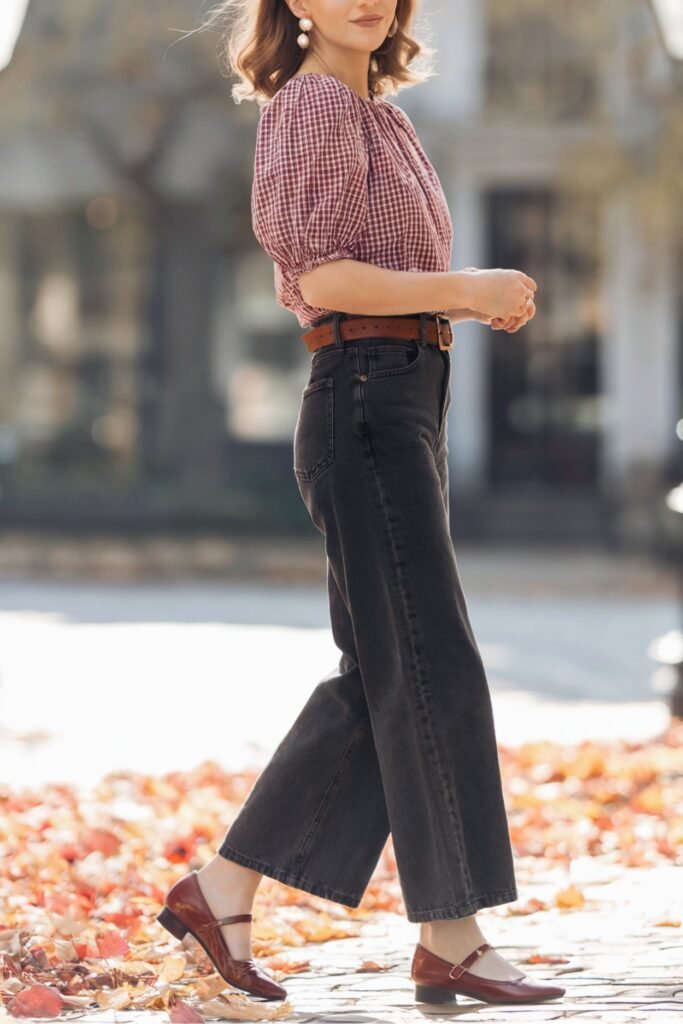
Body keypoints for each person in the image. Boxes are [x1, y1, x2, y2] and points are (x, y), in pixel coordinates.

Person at [157, 0, 565, 1008]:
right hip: (364, 403)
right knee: (429, 664)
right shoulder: (311, 109)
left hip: (400, 400)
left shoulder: (378, 114)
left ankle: (223, 890)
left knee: (385, 673)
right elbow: (323, 274)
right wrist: (463, 288)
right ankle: (452, 935)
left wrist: (454, 300)